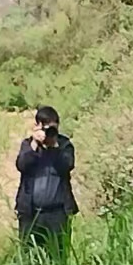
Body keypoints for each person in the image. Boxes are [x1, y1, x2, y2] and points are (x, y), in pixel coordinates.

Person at [14, 105, 78, 250]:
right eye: (46, 128)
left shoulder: (64, 145)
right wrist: (35, 144)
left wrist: (54, 147)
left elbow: (67, 165)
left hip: (57, 214)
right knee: (30, 257)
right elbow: (21, 165)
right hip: (31, 214)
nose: (50, 132)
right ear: (38, 126)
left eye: (53, 128)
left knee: (58, 257)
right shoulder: (28, 145)